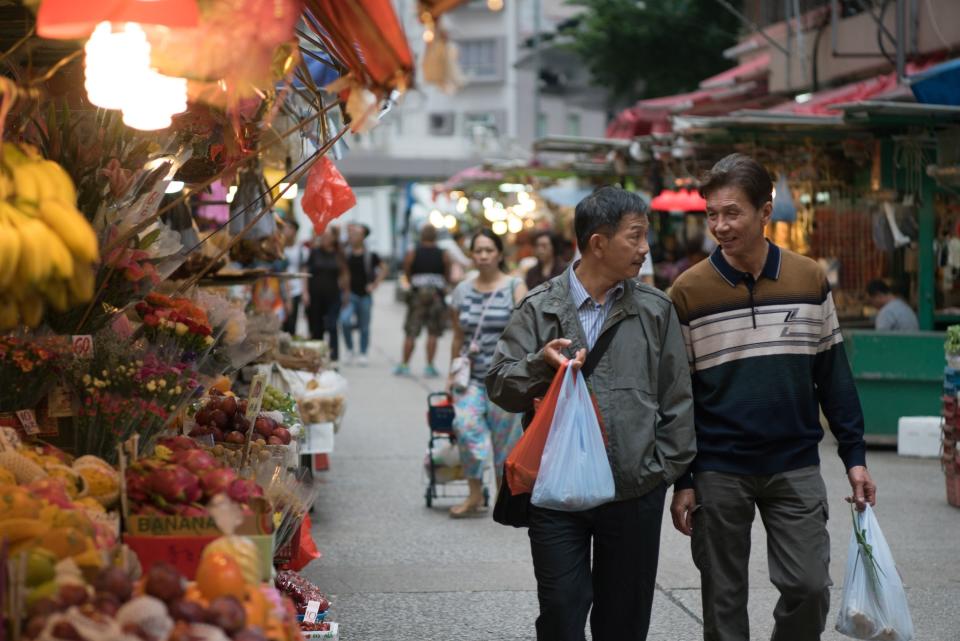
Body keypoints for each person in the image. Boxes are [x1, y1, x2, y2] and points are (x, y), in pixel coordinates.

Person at [668, 153, 877, 641]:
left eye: (733, 213)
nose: (720, 225)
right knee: (723, 600)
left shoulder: (808, 279)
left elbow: (834, 376)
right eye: (712, 214)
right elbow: (678, 396)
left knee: (809, 586)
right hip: (719, 467)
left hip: (795, 462)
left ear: (766, 211)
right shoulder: (687, 292)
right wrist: (682, 478)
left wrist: (856, 457)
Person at [486, 186, 696, 641]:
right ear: (598, 242)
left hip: (632, 491)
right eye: (635, 237)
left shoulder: (655, 310)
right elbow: (500, 386)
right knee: (561, 611)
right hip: (556, 490)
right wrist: (538, 365)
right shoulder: (540, 307)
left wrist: (662, 472)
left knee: (624, 620)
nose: (645, 249)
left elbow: (678, 399)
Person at [446, 230, 527, 518]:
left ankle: (502, 497)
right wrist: (451, 373)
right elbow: (458, 336)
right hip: (471, 379)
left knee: (506, 442)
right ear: (471, 255)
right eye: (477, 250)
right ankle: (475, 492)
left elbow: (526, 335)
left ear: (499, 254)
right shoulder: (462, 290)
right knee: (466, 428)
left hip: (505, 379)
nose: (482, 256)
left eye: (488, 250)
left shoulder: (514, 287)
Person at [396, 224, 451, 377]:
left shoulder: (413, 252)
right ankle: (429, 366)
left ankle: (405, 364)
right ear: (435, 237)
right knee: (433, 332)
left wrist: (412, 281)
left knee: (411, 331)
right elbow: (448, 273)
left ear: (421, 236)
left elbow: (406, 269)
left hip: (417, 295)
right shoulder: (443, 253)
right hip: (436, 295)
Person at [342, 224, 385, 365]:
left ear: (363, 237)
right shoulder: (345, 253)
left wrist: (375, 284)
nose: (353, 235)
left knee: (364, 326)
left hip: (365, 295)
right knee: (345, 321)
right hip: (350, 294)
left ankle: (363, 353)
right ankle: (349, 349)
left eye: (357, 233)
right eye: (352, 233)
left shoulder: (370, 254)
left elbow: (384, 269)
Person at [305, 227, 349, 364]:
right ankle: (317, 356)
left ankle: (334, 357)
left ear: (334, 238)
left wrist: (346, 291)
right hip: (315, 295)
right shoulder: (314, 252)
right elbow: (305, 272)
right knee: (317, 327)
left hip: (333, 295)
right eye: (323, 235)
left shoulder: (338, 254)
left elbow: (345, 273)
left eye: (328, 236)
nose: (325, 238)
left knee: (332, 325)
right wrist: (305, 292)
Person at [281, 219, 306, 336]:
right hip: (280, 290)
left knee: (291, 321)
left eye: (289, 228)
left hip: (296, 290)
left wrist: (305, 291)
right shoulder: (278, 248)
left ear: (295, 231)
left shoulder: (301, 249)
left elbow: (303, 270)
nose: (286, 231)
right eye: (284, 227)